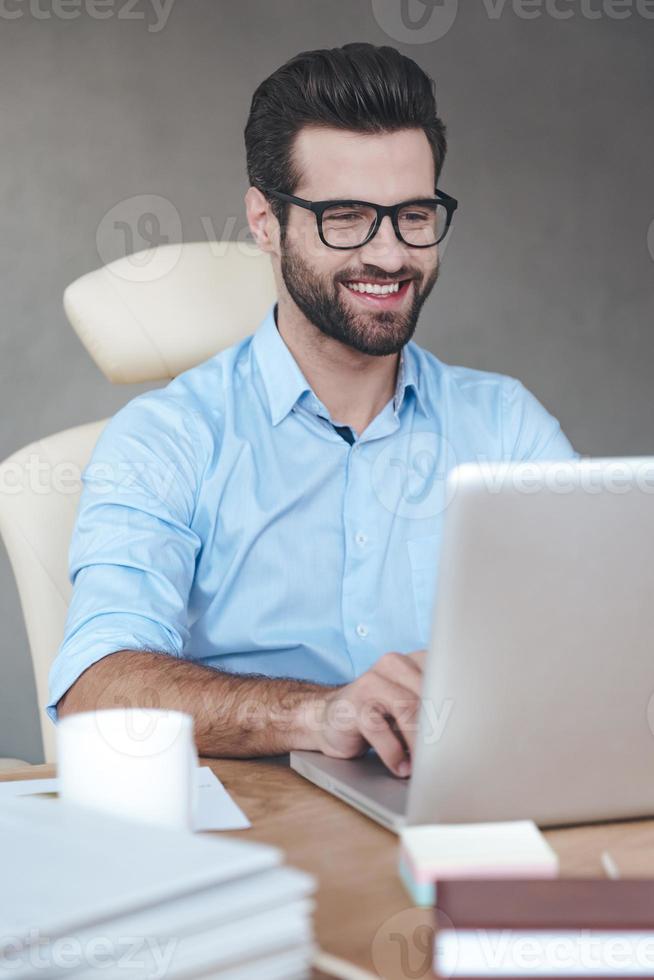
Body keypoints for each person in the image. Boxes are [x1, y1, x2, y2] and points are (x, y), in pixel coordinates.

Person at [50, 42, 579, 778]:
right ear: (265, 222)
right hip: (256, 841)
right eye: (347, 217)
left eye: (414, 215)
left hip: (459, 808)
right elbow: (97, 691)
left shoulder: (506, 426)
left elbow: (601, 641)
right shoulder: (166, 439)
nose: (391, 256)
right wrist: (320, 712)